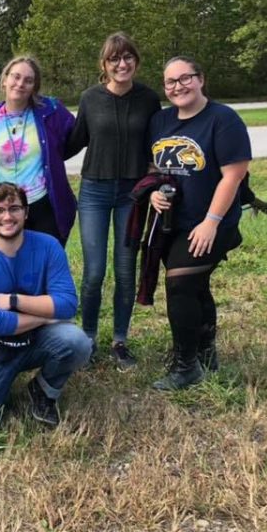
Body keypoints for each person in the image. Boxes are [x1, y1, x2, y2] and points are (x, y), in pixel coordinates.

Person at [147, 56, 251, 390]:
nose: (178, 87)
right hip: (172, 223)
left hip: (211, 222)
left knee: (179, 282)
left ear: (201, 79)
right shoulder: (160, 121)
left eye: (185, 78)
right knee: (195, 285)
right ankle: (206, 351)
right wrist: (152, 194)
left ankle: (186, 365)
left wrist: (211, 222)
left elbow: (233, 175)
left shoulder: (223, 119)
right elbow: (153, 168)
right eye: (170, 82)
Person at [0, 183, 93, 433]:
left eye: (14, 208)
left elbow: (68, 303)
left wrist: (12, 301)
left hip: (35, 341)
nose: (7, 216)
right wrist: (45, 318)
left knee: (77, 341)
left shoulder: (48, 246)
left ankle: (43, 390)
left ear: (26, 213)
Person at [67, 33, 162, 369]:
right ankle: (88, 338)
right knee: (94, 272)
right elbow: (74, 140)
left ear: (135, 61)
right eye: (114, 59)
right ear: (104, 65)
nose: (122, 64)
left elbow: (160, 142)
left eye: (127, 58)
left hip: (132, 196)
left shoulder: (149, 99)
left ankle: (120, 340)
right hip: (93, 191)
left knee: (125, 270)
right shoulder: (90, 98)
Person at [0, 55, 77, 245]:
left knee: (45, 267)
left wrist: (55, 158)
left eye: (28, 80)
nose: (20, 83)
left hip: (43, 203)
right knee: (8, 266)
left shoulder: (51, 110)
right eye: (16, 77)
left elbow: (76, 138)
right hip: (6, 207)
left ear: (34, 86)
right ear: (5, 79)